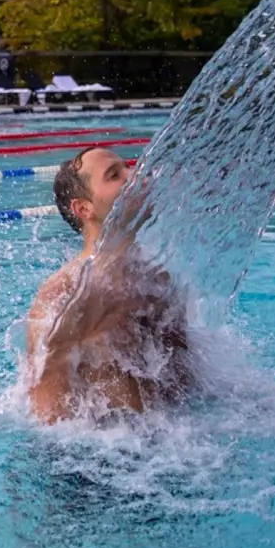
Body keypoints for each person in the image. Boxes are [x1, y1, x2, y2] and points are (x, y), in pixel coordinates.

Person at [24, 147, 191, 425]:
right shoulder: (64, 291)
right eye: (114, 175)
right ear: (84, 208)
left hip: (167, 442)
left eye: (127, 166)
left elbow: (186, 382)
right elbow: (46, 409)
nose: (134, 175)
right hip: (99, 456)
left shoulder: (157, 278)